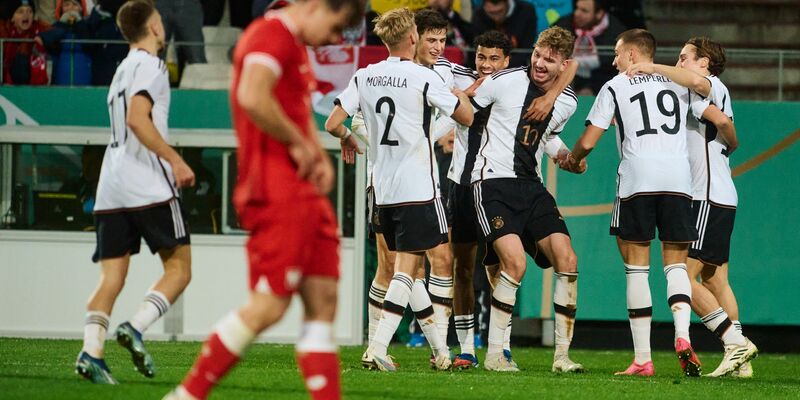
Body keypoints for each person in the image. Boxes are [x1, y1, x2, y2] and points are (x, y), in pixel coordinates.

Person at [164, 0, 363, 397]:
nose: (334, 39)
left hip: (303, 192)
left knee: (323, 300)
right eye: (336, 27)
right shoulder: (270, 34)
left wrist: (314, 152)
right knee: (269, 305)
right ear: (317, 5)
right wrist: (299, 145)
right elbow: (253, 96)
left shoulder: (294, 44)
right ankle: (185, 395)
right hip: (276, 190)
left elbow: (293, 108)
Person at [564, 28, 728, 377]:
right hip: (679, 181)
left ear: (632, 54)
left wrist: (573, 159)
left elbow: (589, 140)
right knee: (676, 267)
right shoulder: (679, 83)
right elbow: (709, 102)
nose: (613, 61)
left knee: (637, 269)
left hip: (637, 178)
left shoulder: (615, 85)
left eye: (617, 53)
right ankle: (683, 336)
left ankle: (643, 359)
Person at [326, 6, 474, 372]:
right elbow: (466, 118)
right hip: (417, 186)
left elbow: (332, 123)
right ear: (412, 37)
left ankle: (440, 351)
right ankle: (377, 347)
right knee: (407, 269)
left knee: (405, 270)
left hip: (382, 187)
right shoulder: (423, 78)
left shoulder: (364, 75)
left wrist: (348, 137)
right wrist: (460, 96)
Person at [74, 0, 195, 385]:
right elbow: (137, 119)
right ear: (155, 28)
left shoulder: (121, 69)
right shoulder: (151, 65)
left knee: (111, 278)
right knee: (179, 269)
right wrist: (175, 160)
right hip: (147, 181)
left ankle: (91, 353)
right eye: (160, 21)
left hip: (111, 185)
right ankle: (136, 327)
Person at [626, 37, 758, 377]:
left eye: (684, 57)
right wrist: (730, 144)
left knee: (682, 275)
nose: (679, 62)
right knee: (716, 279)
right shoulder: (705, 91)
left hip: (706, 195)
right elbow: (723, 126)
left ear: (704, 62)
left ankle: (735, 344)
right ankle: (740, 358)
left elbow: (722, 122)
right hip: (721, 194)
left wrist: (651, 67)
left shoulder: (707, 87)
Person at [467, 25, 583, 372]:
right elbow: (466, 112)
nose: (540, 63)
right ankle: (495, 354)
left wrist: (565, 156)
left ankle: (562, 357)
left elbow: (547, 137)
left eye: (550, 59)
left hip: (531, 186)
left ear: (563, 65)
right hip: (492, 182)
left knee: (568, 259)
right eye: (537, 54)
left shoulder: (568, 102)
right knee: (514, 264)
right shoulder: (504, 81)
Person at [554, 0, 626, 95]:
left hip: (603, 86)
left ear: (599, 14)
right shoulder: (561, 26)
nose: (577, 13)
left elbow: (616, 70)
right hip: (566, 84)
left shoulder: (618, 34)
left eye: (584, 11)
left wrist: (592, 89)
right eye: (577, 8)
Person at [38, 0, 92, 85]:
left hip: (85, 83)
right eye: (66, 5)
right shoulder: (55, 27)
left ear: (81, 8)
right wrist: (62, 24)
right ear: (61, 9)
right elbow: (47, 43)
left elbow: (89, 45)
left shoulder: (88, 27)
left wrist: (80, 22)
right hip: (60, 83)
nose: (71, 8)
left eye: (75, 5)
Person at [471, 0, 536, 67]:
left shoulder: (526, 11)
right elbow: (478, 50)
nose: (496, 18)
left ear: (507, 2)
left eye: (500, 11)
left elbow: (525, 49)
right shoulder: (479, 14)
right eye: (491, 13)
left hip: (517, 67)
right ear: (484, 7)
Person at [1, 0, 50, 85]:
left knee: (22, 58)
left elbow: (58, 30)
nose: (26, 15)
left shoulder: (39, 29)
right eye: (20, 12)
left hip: (34, 87)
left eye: (29, 11)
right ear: (12, 18)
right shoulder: (5, 31)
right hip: (7, 86)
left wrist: (43, 37)